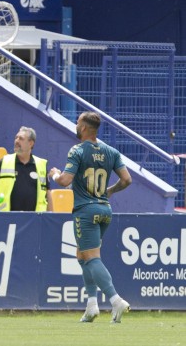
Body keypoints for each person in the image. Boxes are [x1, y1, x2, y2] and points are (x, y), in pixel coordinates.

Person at [49, 111, 133, 323]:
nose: (76, 126)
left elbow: (65, 180)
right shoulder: (111, 151)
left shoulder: (77, 150)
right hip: (104, 210)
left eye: (78, 123)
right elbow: (127, 180)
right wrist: (110, 191)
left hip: (85, 211)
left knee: (92, 258)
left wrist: (55, 175)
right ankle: (92, 305)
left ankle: (115, 300)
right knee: (82, 255)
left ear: (84, 128)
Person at [0, 127, 54, 212]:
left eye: (21, 138)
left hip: (35, 220)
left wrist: (51, 216)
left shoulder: (41, 165)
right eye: (16, 138)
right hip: (6, 219)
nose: (16, 141)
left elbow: (47, 193)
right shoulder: (4, 162)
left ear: (31, 143)